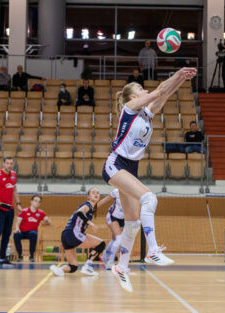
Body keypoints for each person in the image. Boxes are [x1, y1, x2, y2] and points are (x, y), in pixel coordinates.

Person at [102, 67, 197, 292]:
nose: (146, 90)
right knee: (149, 198)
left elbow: (163, 94)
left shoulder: (146, 112)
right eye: (141, 89)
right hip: (116, 164)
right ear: (134, 97)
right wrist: (177, 73)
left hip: (130, 168)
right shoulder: (129, 108)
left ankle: (122, 267)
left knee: (133, 223)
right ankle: (152, 251)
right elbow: (157, 92)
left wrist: (181, 79)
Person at [49, 188, 106, 277]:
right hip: (73, 234)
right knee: (101, 244)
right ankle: (87, 266)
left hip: (66, 234)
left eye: (98, 193)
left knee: (73, 266)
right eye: (93, 193)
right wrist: (91, 223)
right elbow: (79, 212)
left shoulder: (91, 207)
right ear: (88, 196)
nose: (96, 194)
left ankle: (59, 270)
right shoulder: (88, 205)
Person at [13, 195, 50, 262]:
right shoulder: (24, 211)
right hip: (22, 232)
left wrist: (47, 220)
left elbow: (48, 222)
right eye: (35, 201)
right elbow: (17, 223)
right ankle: (20, 255)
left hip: (32, 232)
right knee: (16, 235)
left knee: (33, 233)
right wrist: (17, 228)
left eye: (39, 202)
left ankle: (31, 255)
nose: (37, 203)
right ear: (31, 201)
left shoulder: (41, 212)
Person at [97, 189, 125, 269]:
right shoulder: (116, 191)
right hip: (112, 216)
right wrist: (92, 208)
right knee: (119, 238)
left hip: (123, 219)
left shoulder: (132, 194)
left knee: (114, 239)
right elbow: (104, 200)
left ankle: (105, 255)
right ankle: (110, 261)